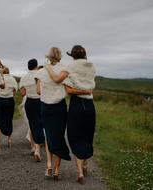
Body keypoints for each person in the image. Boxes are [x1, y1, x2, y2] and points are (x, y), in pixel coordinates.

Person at [35, 47, 92, 181]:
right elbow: (68, 87)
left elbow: (38, 92)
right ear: (60, 56)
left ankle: (48, 165)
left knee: (48, 135)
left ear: (48, 56)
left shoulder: (41, 71)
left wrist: (48, 92)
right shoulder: (65, 69)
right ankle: (56, 170)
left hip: (45, 107)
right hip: (59, 107)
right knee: (59, 136)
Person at [19, 59, 45, 162]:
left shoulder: (24, 77)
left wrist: (29, 89)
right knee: (41, 124)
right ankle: (39, 148)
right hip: (41, 101)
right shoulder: (41, 75)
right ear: (36, 66)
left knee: (33, 124)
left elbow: (22, 93)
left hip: (29, 102)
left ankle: (35, 147)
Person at [0, 67, 18, 151]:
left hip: (0, 100)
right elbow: (15, 90)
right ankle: (9, 140)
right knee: (9, 119)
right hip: (10, 100)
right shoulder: (12, 79)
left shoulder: (0, 79)